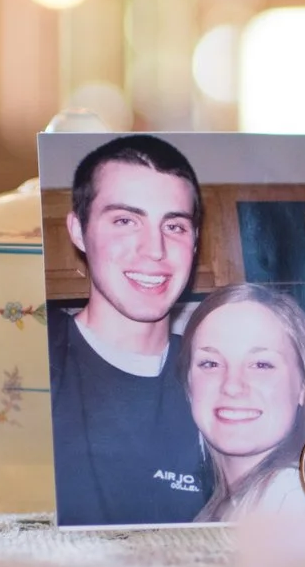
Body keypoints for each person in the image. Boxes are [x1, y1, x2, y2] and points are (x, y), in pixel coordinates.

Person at [48, 135, 209, 524]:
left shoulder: (221, 377)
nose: (154, 249)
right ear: (77, 231)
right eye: (125, 221)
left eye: (174, 226)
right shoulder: (38, 360)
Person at [182, 283, 305, 521]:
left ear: (303, 386)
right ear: (189, 383)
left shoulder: (293, 499)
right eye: (210, 363)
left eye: (262, 365)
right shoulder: (252, 499)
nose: (232, 386)